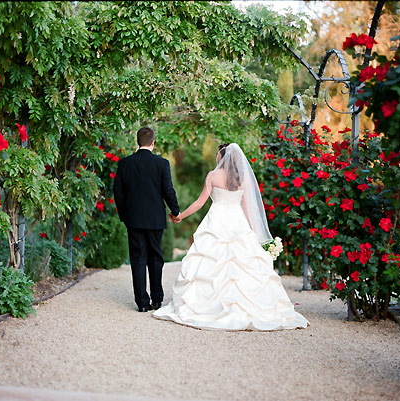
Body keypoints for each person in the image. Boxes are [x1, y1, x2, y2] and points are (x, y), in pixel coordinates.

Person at [153, 143, 309, 330]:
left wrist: (180, 215)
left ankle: (206, 305)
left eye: (219, 155)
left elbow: (200, 202)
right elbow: (248, 209)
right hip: (237, 222)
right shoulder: (241, 178)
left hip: (216, 221)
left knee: (209, 261)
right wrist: (255, 234)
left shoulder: (212, 176)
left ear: (222, 157)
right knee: (242, 262)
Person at [113, 127, 180, 312]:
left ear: (137, 141)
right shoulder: (162, 163)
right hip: (155, 219)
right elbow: (168, 190)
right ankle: (157, 299)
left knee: (138, 258)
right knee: (155, 258)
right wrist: (175, 211)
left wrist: (124, 215)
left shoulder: (125, 163)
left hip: (133, 218)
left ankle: (142, 303)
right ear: (153, 143)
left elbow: (118, 192)